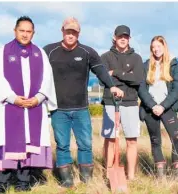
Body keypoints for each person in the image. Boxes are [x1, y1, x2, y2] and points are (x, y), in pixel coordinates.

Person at [43, 17, 123, 188]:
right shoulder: (49, 51)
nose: (71, 35)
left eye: (74, 32)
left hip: (81, 108)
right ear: (62, 30)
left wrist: (112, 87)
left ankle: (86, 181)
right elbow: (37, 72)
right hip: (58, 109)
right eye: (68, 31)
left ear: (78, 33)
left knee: (85, 144)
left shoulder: (87, 52)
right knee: (62, 145)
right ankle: (67, 182)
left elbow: (101, 71)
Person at [0, 16, 57, 193]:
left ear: (33, 33)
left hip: (33, 107)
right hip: (9, 106)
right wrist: (12, 97)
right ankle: (2, 183)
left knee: (28, 145)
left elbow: (48, 79)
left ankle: (23, 182)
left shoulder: (40, 53)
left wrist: (39, 98)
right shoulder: (1, 52)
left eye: (28, 31)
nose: (25, 34)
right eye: (22, 30)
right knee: (5, 143)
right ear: (15, 31)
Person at [137, 36, 178, 181]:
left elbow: (177, 89)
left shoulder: (174, 65)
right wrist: (152, 106)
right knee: (155, 140)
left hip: (168, 107)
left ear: (164, 47)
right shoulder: (146, 65)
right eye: (153, 47)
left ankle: (177, 172)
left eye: (159, 46)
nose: (156, 49)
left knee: (177, 138)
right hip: (149, 109)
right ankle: (160, 174)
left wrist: (163, 106)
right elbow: (141, 89)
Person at [100, 24, 144, 180]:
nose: (123, 39)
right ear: (114, 38)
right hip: (110, 102)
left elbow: (138, 79)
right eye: (120, 37)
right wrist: (126, 75)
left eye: (125, 37)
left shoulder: (136, 58)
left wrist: (116, 73)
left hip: (130, 102)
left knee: (131, 140)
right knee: (110, 139)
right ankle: (109, 173)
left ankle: (131, 175)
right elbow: (104, 79)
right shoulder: (105, 57)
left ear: (129, 39)